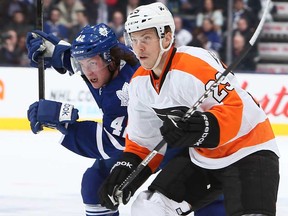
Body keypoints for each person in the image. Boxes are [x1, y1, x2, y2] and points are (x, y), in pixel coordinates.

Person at [98, 2, 280, 216]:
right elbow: (141, 143)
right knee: (149, 207)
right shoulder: (140, 84)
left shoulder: (194, 64)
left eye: (146, 38)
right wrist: (124, 174)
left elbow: (235, 110)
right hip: (204, 159)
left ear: (166, 38)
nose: (139, 48)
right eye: (134, 40)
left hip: (250, 150)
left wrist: (199, 128)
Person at [26, 22, 182, 216]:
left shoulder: (122, 93)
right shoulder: (117, 56)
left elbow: (113, 143)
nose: (88, 72)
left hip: (168, 145)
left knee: (156, 203)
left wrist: (64, 122)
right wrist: (58, 53)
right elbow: (87, 60)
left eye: (92, 64)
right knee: (95, 184)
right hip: (146, 136)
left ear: (111, 59)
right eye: (82, 64)